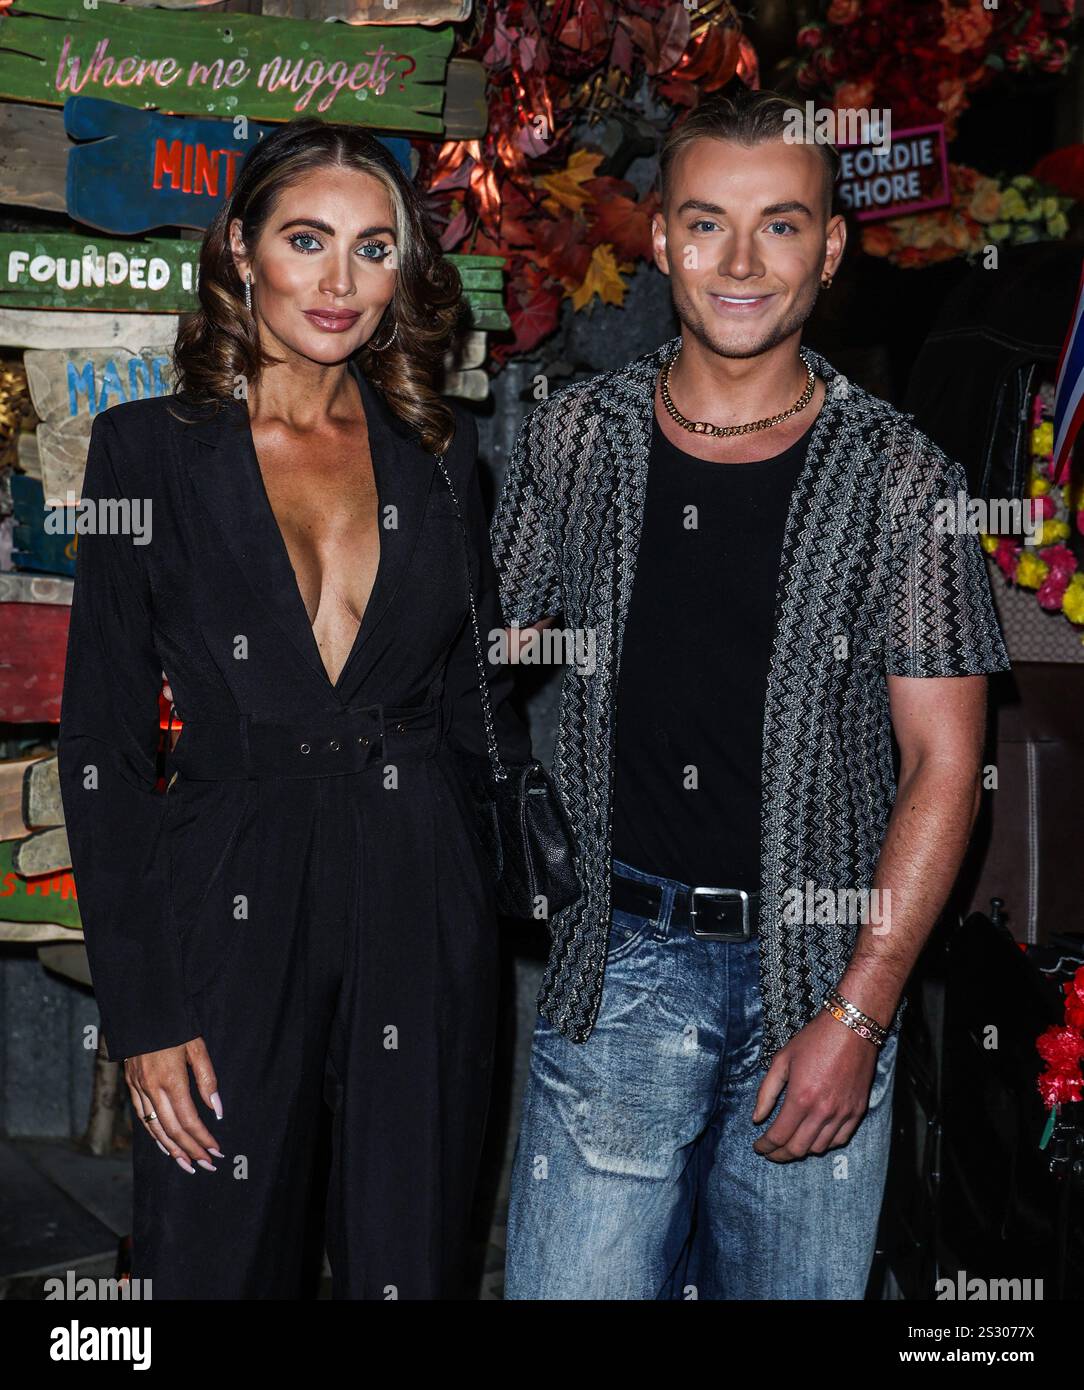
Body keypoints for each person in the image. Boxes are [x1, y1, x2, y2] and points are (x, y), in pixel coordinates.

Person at [492, 89, 1011, 1299]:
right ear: (662, 239)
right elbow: (471, 658)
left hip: (821, 985)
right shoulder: (579, 442)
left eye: (779, 225)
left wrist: (861, 1017)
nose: (739, 261)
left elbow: (945, 766)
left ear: (829, 249)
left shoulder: (900, 476)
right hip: (610, 969)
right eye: (706, 222)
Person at [56, 117, 530, 1300]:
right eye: (307, 240)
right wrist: (144, 1007)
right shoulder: (145, 455)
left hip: (419, 884)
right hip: (232, 880)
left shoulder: (440, 454)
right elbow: (103, 746)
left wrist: (493, 900)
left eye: (375, 249)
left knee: (409, 1261)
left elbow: (477, 715)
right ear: (239, 250)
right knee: (211, 1259)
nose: (339, 282)